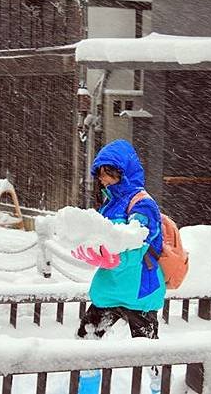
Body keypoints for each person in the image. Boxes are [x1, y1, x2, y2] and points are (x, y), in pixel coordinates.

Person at [72, 139, 165, 394]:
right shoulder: (110, 204)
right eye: (101, 175)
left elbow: (138, 240)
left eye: (109, 174)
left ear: (123, 172)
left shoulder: (142, 203)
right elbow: (104, 240)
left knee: (149, 355)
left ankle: (156, 390)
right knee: (88, 337)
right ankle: (87, 390)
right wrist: (92, 249)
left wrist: (112, 256)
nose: (104, 181)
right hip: (112, 286)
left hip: (138, 288)